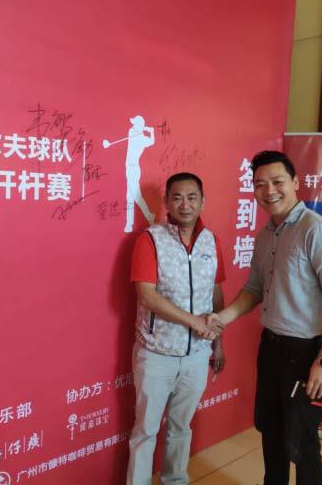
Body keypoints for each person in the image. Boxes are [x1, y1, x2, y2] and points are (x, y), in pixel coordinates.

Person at [209, 151, 322, 485]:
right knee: (271, 432)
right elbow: (254, 289)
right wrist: (222, 317)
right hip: (271, 349)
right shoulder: (265, 236)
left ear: (295, 182)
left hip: (306, 354)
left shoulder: (315, 231)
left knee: (303, 443)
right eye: (260, 184)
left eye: (277, 182)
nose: (269, 191)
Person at [126, 172, 226, 485]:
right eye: (178, 198)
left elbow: (215, 291)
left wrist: (218, 342)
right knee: (145, 431)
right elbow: (147, 295)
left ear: (203, 202)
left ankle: (175, 481)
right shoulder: (150, 239)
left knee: (181, 428)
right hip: (157, 353)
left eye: (192, 197)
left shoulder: (211, 240)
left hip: (197, 354)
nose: (185, 204)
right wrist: (193, 321)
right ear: (167, 203)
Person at [124, 115, 156, 232]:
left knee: (136, 197)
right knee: (129, 197)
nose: (132, 125)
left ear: (139, 126)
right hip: (129, 168)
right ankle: (129, 224)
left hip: (133, 169)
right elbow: (151, 140)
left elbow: (152, 141)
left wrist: (148, 130)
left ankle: (149, 217)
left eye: (135, 124)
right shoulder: (132, 132)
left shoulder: (141, 139)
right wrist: (150, 131)